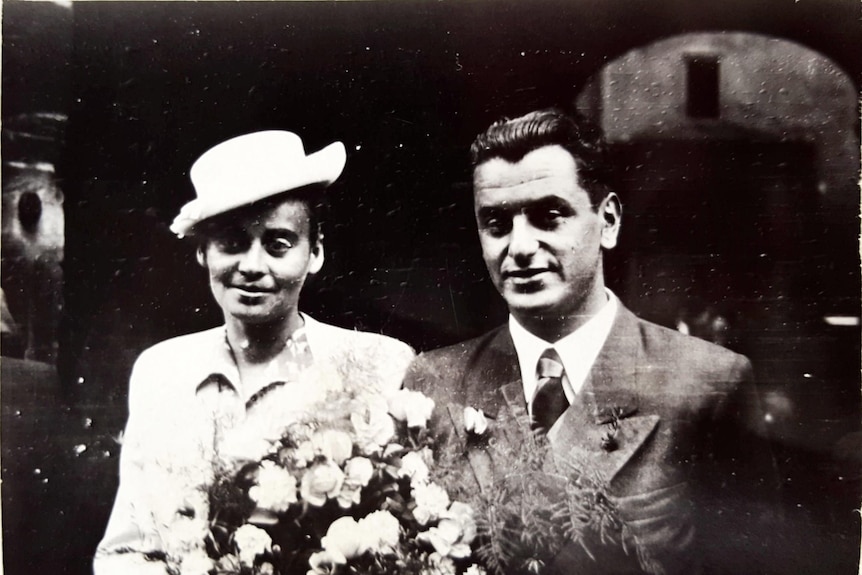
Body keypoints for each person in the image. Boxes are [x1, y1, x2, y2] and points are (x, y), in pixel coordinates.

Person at [405, 109, 779, 574]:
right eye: (497, 223)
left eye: (549, 216)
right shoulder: (433, 383)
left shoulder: (706, 383)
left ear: (609, 221)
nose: (519, 246)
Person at [95, 131, 414, 574]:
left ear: (315, 252)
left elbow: (399, 545)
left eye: (278, 244)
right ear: (202, 253)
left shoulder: (380, 365)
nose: (252, 265)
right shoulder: (161, 371)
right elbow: (123, 553)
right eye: (231, 243)